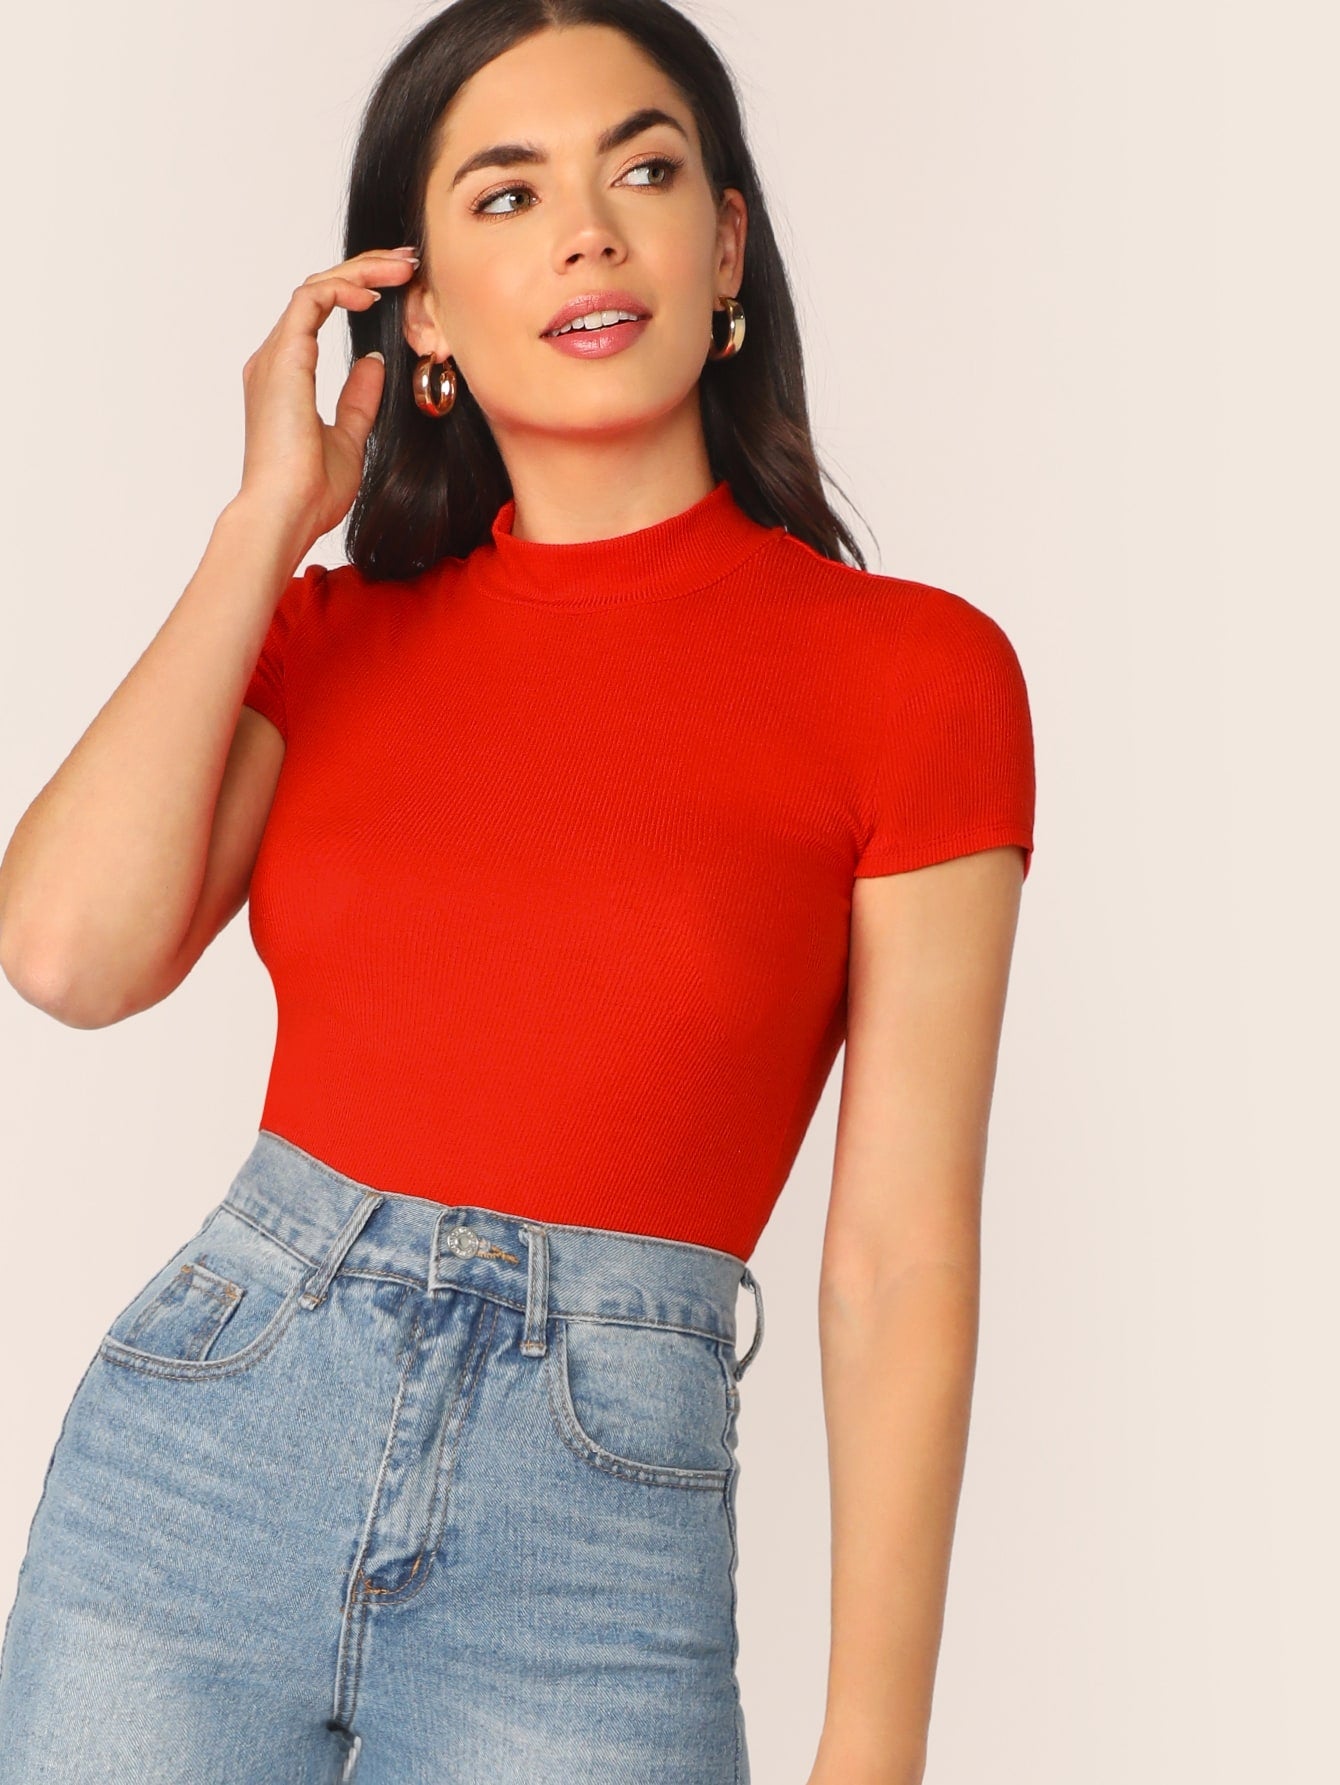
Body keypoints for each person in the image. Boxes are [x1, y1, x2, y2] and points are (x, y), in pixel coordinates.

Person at [0, 1, 1036, 1780]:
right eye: (507, 193)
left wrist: (873, 1749)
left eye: (646, 171)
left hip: (593, 1546)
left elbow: (899, 1258)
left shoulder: (916, 678)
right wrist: (268, 517)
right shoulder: (326, 634)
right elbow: (66, 953)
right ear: (420, 313)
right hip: (201, 1468)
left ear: (726, 244)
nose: (587, 233)